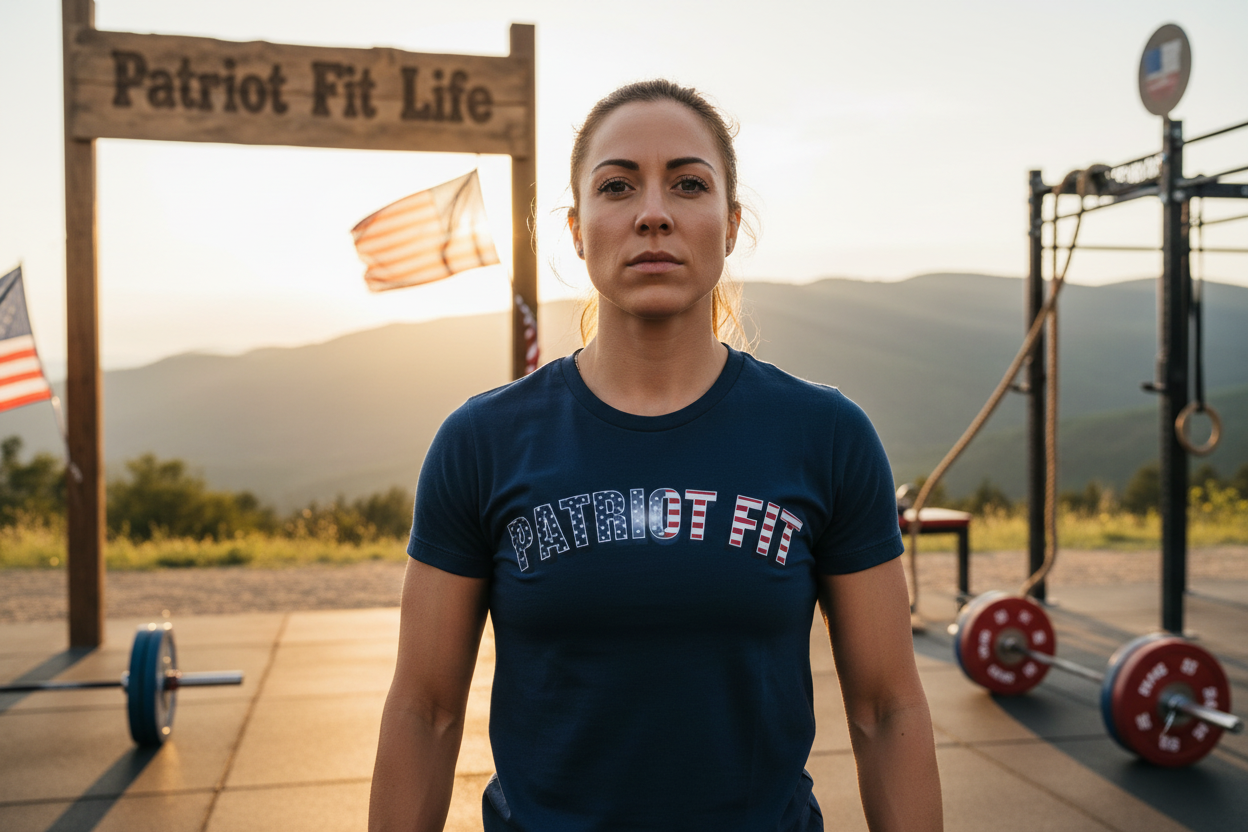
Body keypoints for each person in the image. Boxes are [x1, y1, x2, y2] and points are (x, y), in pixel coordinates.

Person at [369, 79, 943, 832]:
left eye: (688, 184)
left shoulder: (825, 434)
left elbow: (885, 708)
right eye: (617, 186)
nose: (652, 213)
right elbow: (425, 710)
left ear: (730, 224)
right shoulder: (482, 441)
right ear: (576, 231)